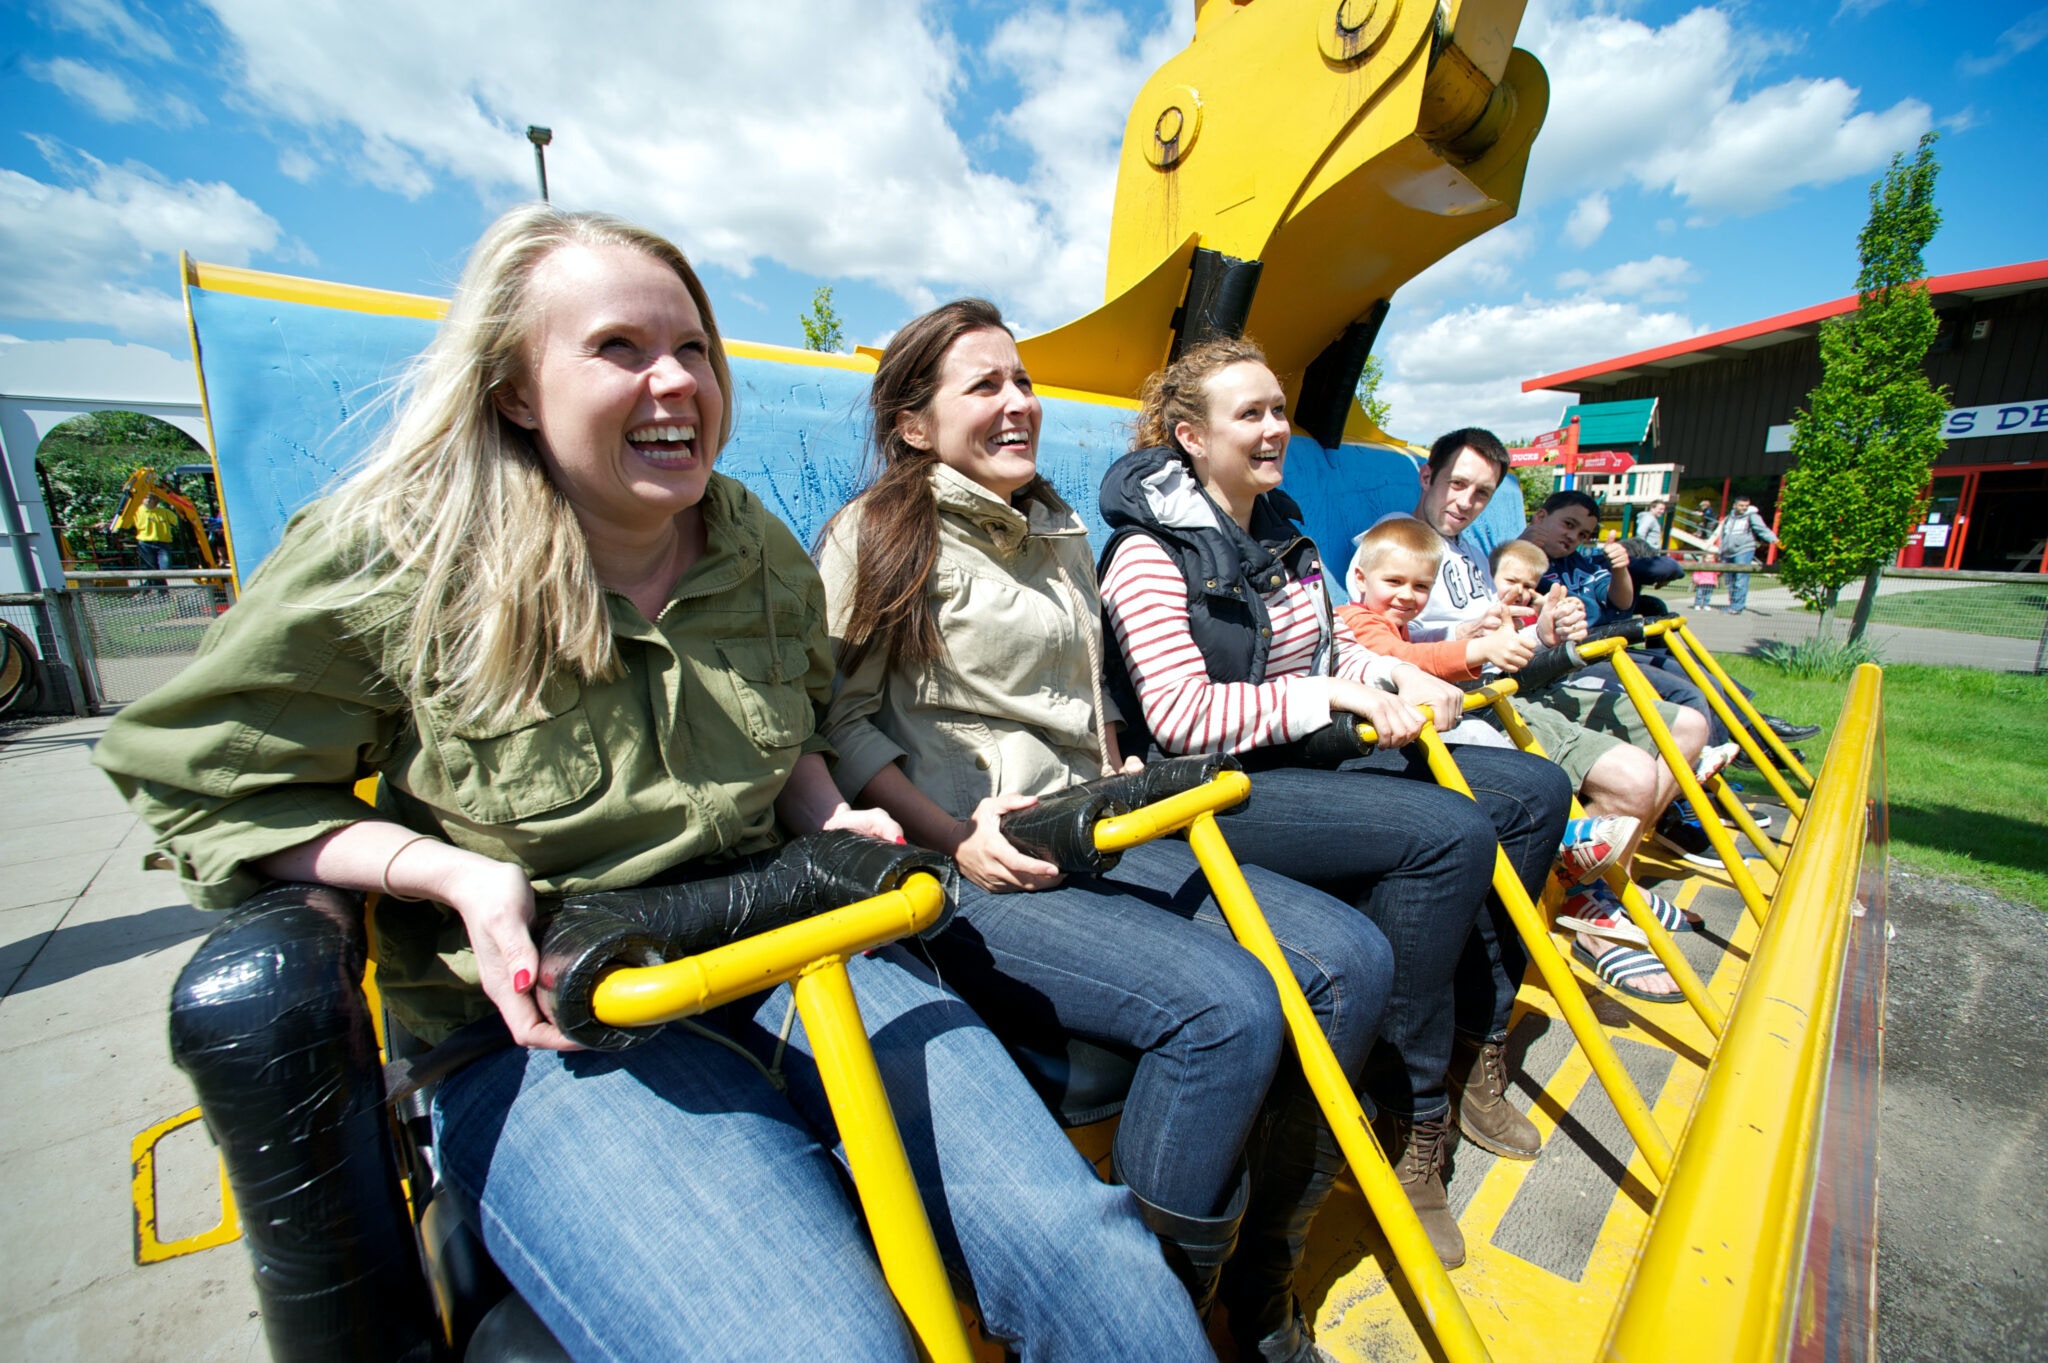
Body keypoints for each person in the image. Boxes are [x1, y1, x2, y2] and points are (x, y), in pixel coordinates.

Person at [93, 209, 1206, 1363]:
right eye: (618, 348)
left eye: (693, 349)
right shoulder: (399, 558)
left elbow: (800, 728)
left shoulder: (759, 550)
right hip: (554, 1029)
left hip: (791, 950)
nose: (674, 381)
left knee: (1091, 1260)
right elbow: (205, 785)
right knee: (823, 1348)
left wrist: (829, 810)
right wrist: (443, 871)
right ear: (517, 389)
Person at [819, 299, 1391, 1360]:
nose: (1016, 403)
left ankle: (1257, 1283)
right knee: (1226, 1010)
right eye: (982, 386)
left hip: (1100, 827)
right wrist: (947, 836)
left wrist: (1118, 749)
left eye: (1020, 381)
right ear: (910, 424)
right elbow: (838, 719)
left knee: (1351, 958)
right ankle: (1151, 1315)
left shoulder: (1054, 527)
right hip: (982, 866)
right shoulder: (880, 534)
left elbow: (1089, 690)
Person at [1096, 338, 1574, 1271]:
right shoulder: (1147, 555)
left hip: (1291, 757)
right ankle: (1406, 1101)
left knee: (1533, 789)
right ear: (1190, 436)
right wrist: (1338, 699)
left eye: (1279, 408)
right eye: (1252, 414)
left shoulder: (1280, 526)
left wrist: (1395, 676)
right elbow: (1184, 717)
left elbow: (1326, 654)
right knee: (1447, 831)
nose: (1277, 426)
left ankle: (1475, 1039)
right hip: (1210, 786)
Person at [1353, 428, 1708, 1000]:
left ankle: (1608, 879)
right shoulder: (1398, 549)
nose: (1466, 502)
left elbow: (1481, 633)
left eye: (1482, 493)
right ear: (1428, 478)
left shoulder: (1468, 553)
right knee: (1634, 777)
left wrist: (1540, 631)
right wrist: (1476, 648)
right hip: (1473, 698)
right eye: (1457, 485)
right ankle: (1589, 903)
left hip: (1510, 684)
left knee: (1689, 725)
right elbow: (1391, 641)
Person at [1715, 494, 1777, 614]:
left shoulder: (1752, 516)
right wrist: (1720, 551)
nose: (1744, 508)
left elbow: (1762, 529)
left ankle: (1737, 606)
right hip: (1728, 552)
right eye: (1741, 505)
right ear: (1735, 505)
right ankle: (1733, 604)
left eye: (1746, 506)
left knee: (1741, 579)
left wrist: (1773, 539)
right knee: (1730, 580)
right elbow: (1724, 535)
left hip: (1743, 550)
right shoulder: (1729, 518)